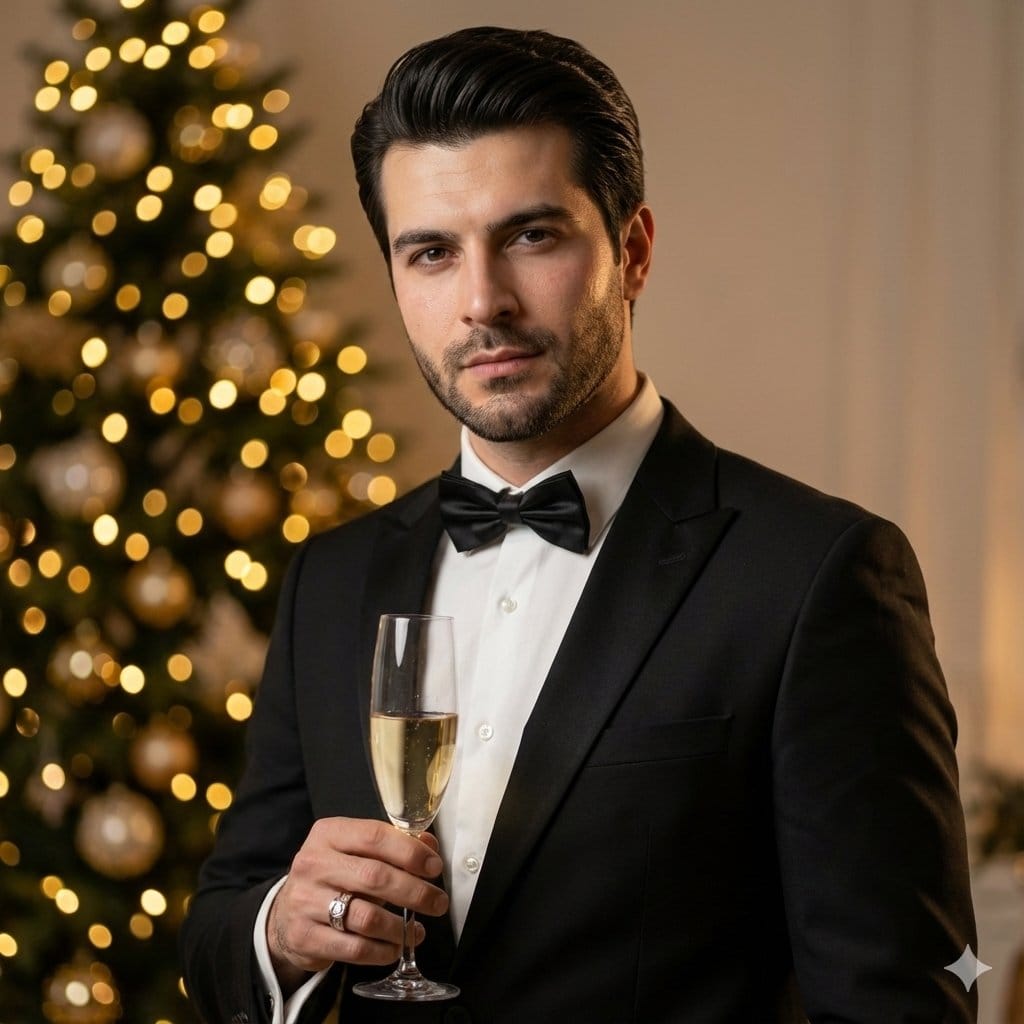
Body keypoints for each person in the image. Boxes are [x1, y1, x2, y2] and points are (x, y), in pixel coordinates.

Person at [179, 26, 978, 1023]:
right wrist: (283, 930)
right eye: (432, 252)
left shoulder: (816, 575)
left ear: (631, 251)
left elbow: (899, 1003)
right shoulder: (330, 581)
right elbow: (218, 932)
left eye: (531, 236)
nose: (482, 301)